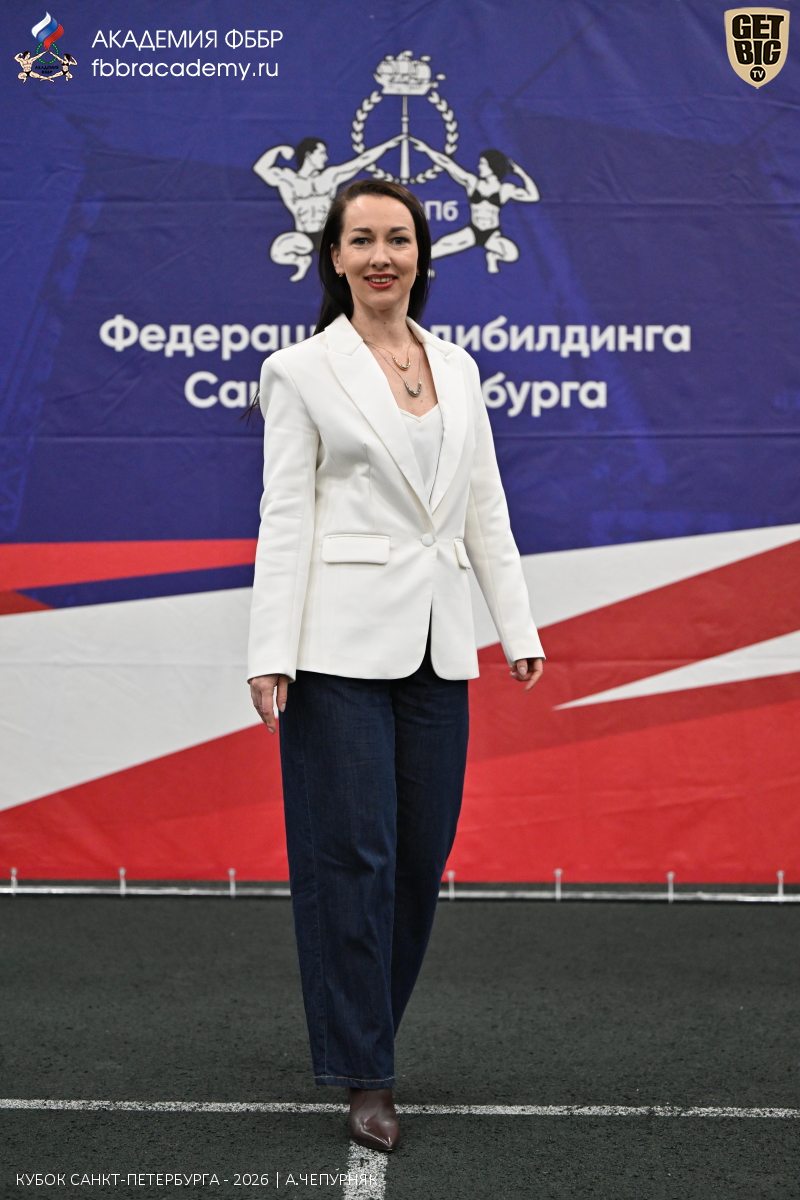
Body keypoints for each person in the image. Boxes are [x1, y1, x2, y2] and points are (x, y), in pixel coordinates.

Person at [247, 179, 544, 1151]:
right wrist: (269, 651)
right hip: (334, 650)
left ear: (422, 253)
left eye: (399, 238)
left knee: (416, 863)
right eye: (362, 239)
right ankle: (364, 1070)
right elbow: (285, 519)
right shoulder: (299, 372)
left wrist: (517, 627)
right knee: (354, 858)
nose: (382, 255)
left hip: (437, 648)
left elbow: (483, 505)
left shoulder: (457, 367)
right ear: (333, 257)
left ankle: (365, 1030)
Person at [253, 136, 402, 281]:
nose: (325, 158)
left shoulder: (329, 176)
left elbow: (361, 161)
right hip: (304, 236)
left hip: (328, 236)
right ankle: (301, 261)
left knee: (356, 254)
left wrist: (388, 145)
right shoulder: (288, 179)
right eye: (321, 153)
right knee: (278, 252)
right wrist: (279, 149)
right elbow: (260, 168)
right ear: (309, 155)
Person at [410, 140, 540, 273]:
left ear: (492, 166)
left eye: (483, 164)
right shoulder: (472, 182)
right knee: (441, 246)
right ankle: (419, 269)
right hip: (473, 231)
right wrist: (427, 150)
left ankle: (493, 257)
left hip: (492, 234)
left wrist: (520, 173)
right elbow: (448, 164)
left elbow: (533, 196)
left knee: (512, 254)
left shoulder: (505, 189)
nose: (479, 167)